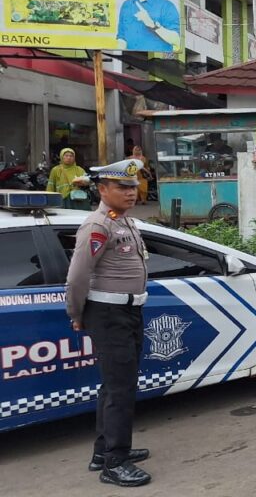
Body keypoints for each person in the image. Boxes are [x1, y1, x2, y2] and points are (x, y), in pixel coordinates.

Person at [65, 159, 152, 487]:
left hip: (128, 313)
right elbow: (77, 277)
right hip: (109, 315)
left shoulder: (123, 221)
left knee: (115, 384)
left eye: (133, 187)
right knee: (120, 388)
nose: (131, 193)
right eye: (122, 187)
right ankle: (115, 463)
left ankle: (103, 450)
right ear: (102, 190)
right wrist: (76, 314)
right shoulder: (98, 225)